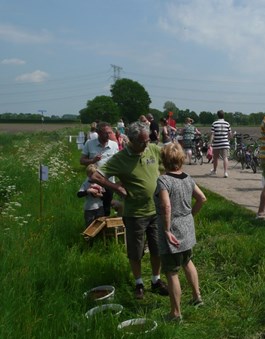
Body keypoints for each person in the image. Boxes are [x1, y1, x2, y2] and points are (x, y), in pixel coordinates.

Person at [90, 121, 169, 300]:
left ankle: (156, 281)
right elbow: (94, 175)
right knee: (136, 251)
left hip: (155, 211)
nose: (146, 144)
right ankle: (139, 283)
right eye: (142, 142)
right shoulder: (120, 158)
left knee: (157, 249)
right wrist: (116, 188)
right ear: (131, 140)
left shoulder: (153, 150)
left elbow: (168, 163)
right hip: (135, 214)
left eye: (148, 140)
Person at [155, 142, 207, 322]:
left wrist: (167, 229)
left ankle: (175, 313)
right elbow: (202, 198)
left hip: (173, 230)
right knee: (187, 261)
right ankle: (197, 297)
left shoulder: (164, 180)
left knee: (171, 271)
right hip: (187, 228)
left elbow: (166, 205)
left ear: (164, 160)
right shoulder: (187, 178)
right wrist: (190, 215)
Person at [80, 122, 119, 216]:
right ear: (98, 132)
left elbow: (118, 163)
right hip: (94, 182)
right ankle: (92, 226)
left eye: (110, 133)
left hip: (109, 182)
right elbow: (82, 161)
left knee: (106, 207)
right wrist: (93, 160)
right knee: (94, 207)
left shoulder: (114, 145)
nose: (108, 135)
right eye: (105, 133)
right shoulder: (90, 144)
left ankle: (105, 228)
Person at [209, 110, 232, 178]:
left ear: (217, 115)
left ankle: (215, 170)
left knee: (215, 157)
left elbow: (212, 134)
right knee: (225, 157)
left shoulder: (214, 123)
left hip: (217, 143)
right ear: (223, 115)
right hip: (225, 142)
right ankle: (225, 172)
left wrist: (210, 142)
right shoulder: (227, 124)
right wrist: (227, 139)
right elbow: (230, 134)